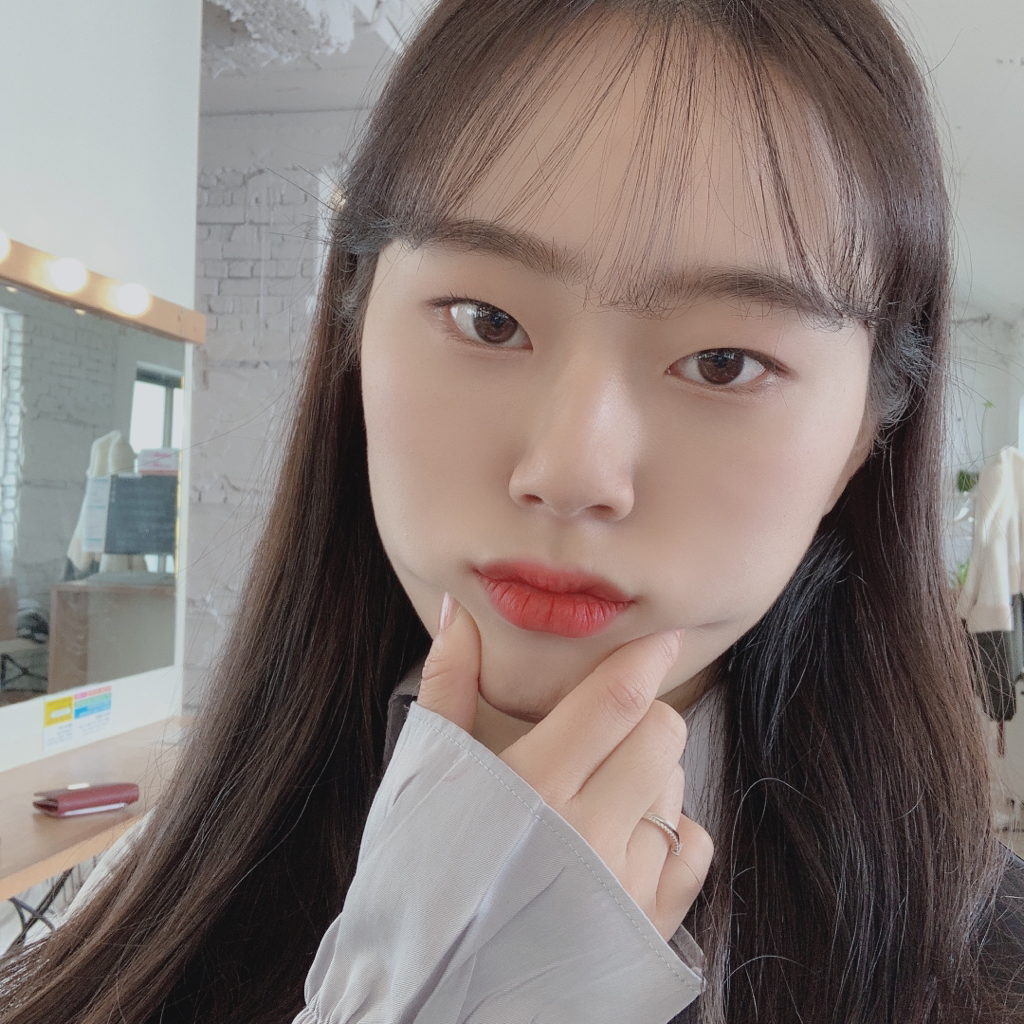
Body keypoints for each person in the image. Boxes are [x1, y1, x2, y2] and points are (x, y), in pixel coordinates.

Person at [2, 0, 1023, 1021]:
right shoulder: (157, 890)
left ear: (865, 432)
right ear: (357, 326)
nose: (570, 471)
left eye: (724, 362)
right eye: (488, 321)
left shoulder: (990, 971)